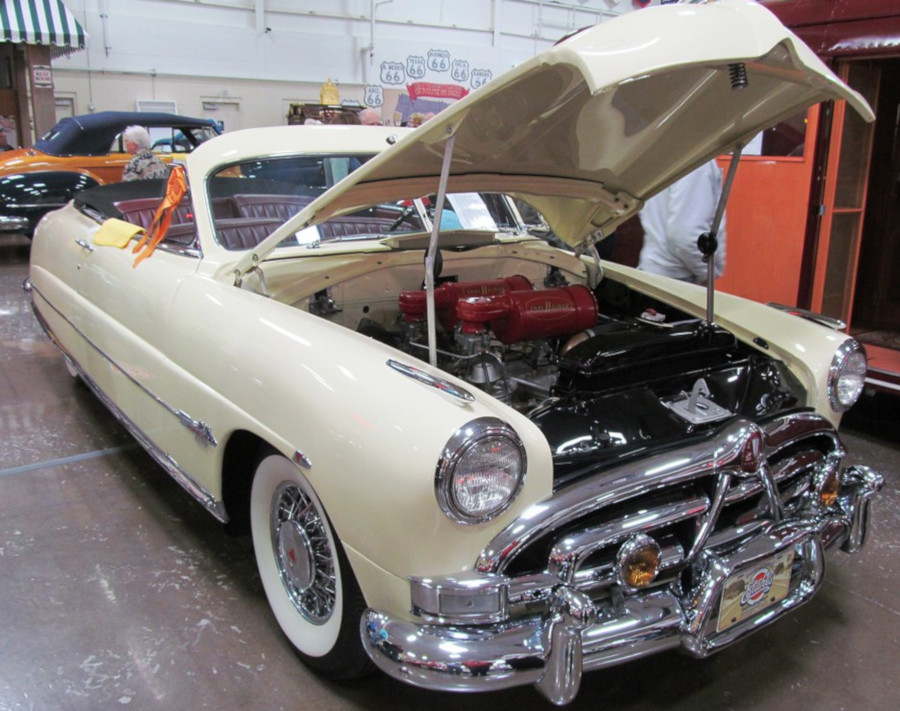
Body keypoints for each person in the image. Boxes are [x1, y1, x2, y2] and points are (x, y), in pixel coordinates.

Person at [638, 159, 726, 284]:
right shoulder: (698, 160)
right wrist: (707, 272)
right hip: (677, 278)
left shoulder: (667, 151)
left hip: (654, 270)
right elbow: (686, 235)